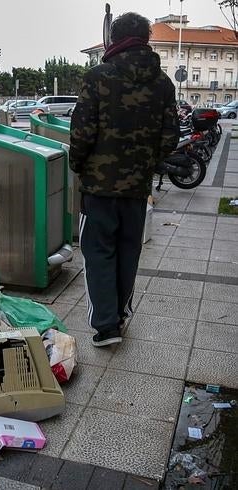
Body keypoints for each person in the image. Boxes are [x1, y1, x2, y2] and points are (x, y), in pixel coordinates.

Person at [69, 12, 179, 347]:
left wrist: (79, 165)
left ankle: (105, 327)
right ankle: (119, 315)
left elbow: (82, 132)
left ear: (114, 40)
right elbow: (170, 138)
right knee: (128, 251)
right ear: (145, 38)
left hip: (99, 189)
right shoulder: (162, 84)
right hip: (136, 189)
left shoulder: (97, 77)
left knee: (99, 251)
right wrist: (146, 164)